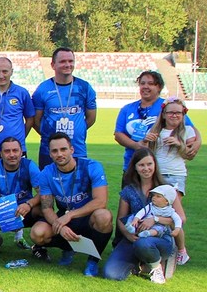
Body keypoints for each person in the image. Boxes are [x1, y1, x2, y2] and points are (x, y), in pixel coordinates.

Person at [30, 133, 112, 277]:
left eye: (63, 149)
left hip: (88, 216)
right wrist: (60, 227)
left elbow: (101, 201)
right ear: (50, 154)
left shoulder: (91, 166)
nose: (59, 154)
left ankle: (93, 261)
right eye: (55, 151)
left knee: (104, 216)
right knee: (37, 233)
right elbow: (47, 207)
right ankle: (68, 249)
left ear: (72, 150)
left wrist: (71, 215)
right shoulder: (46, 173)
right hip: (65, 216)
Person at [103, 149, 178, 282]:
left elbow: (180, 218)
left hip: (160, 237)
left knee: (143, 244)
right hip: (134, 237)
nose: (146, 168)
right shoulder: (129, 190)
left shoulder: (167, 188)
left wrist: (155, 219)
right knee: (111, 273)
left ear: (155, 165)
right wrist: (128, 235)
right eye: (141, 165)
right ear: (135, 167)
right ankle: (142, 265)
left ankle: (157, 263)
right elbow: (120, 219)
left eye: (149, 164)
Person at [114, 70, 200, 172]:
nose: (145, 86)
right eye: (142, 83)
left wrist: (198, 142)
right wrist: (136, 145)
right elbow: (118, 134)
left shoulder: (168, 106)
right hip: (132, 164)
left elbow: (191, 127)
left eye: (151, 83)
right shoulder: (127, 109)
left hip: (160, 168)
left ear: (159, 87)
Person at [32, 47, 97, 169]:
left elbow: (91, 118)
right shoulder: (43, 89)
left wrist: (76, 130)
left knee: (78, 181)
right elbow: (36, 121)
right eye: (62, 61)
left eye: (70, 61)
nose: (67, 65)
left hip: (77, 150)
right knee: (49, 181)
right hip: (49, 151)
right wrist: (50, 135)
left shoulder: (84, 87)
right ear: (53, 65)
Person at [146, 97, 192, 264]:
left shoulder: (187, 131)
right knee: (157, 211)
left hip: (175, 176)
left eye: (178, 113)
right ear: (164, 114)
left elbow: (190, 155)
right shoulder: (156, 130)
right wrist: (146, 140)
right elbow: (145, 154)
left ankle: (180, 250)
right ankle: (161, 248)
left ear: (183, 114)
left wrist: (179, 144)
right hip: (157, 175)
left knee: (172, 214)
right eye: (170, 112)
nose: (174, 115)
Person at [0, 137, 42, 253]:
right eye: (7, 151)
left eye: (15, 150)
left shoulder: (29, 166)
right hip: (1, 211)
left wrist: (29, 204)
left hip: (24, 210)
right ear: (1, 154)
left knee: (43, 209)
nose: (12, 155)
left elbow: (44, 193)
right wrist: (8, 218)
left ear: (21, 152)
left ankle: (40, 245)